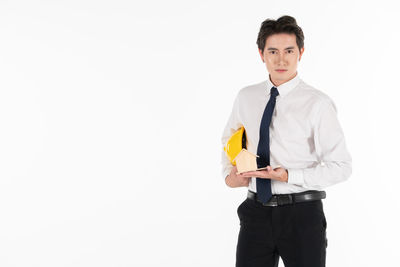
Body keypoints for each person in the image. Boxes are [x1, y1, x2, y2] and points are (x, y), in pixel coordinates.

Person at [221, 15, 352, 267]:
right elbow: (229, 139)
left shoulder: (318, 103)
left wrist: (288, 176)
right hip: (255, 211)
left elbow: (342, 167)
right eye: (273, 51)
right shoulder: (246, 97)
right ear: (261, 54)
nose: (281, 59)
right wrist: (230, 176)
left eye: (289, 50)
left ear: (301, 52)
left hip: (301, 215)